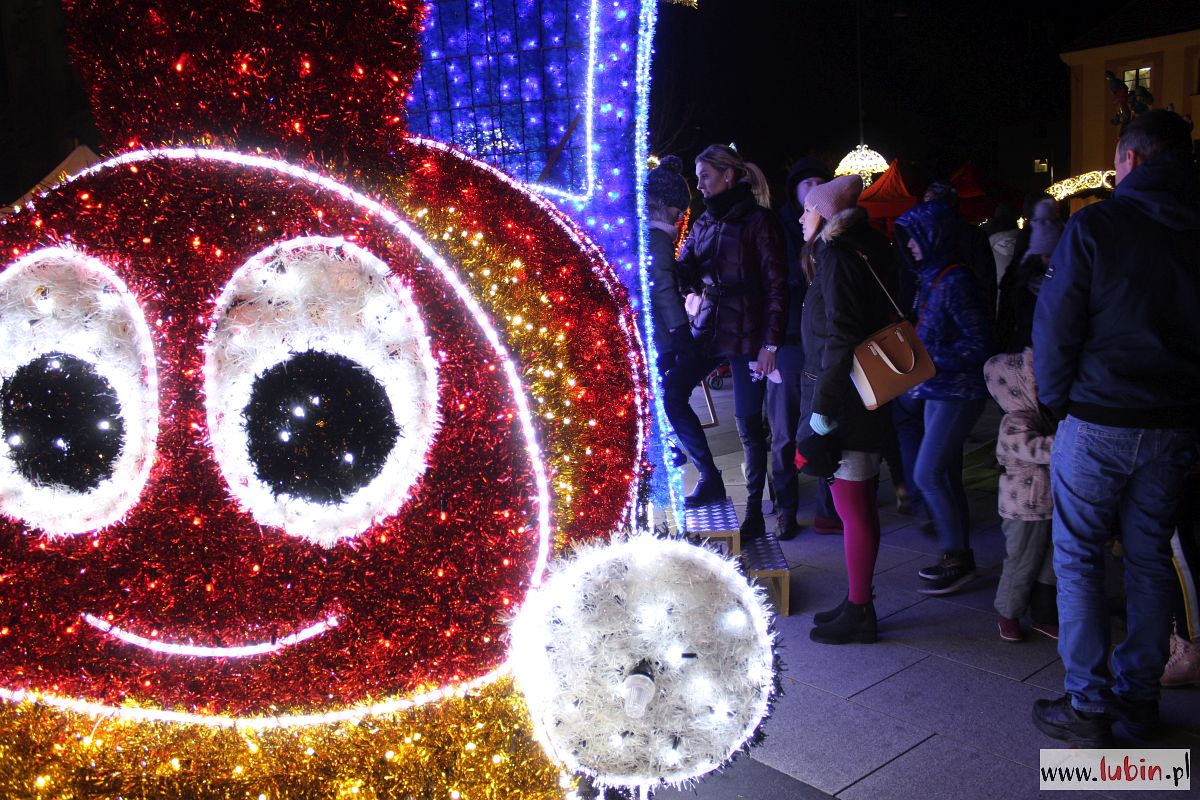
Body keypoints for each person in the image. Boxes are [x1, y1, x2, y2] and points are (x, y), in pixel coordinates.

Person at [1031, 110, 1200, 747]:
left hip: (1100, 415)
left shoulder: (1100, 223)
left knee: (1078, 560)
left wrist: (1056, 400)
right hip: (1173, 423)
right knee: (1150, 559)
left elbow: (1056, 325)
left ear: (1128, 160)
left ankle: (1088, 706)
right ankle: (1140, 701)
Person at [797, 174, 900, 644]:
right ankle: (857, 599)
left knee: (852, 503)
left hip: (848, 398)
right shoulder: (863, 248)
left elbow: (840, 333)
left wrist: (823, 408)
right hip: (857, 393)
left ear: (825, 215)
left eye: (808, 210)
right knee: (853, 501)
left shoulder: (836, 256)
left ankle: (861, 610)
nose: (801, 217)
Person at [665, 144, 786, 539]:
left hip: (749, 331)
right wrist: (664, 256)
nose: (699, 185)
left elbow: (776, 286)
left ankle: (754, 508)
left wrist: (770, 344)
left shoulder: (758, 221)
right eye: (697, 177)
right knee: (672, 390)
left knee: (749, 426)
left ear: (728, 176)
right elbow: (686, 270)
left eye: (705, 176)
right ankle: (710, 476)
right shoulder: (703, 222)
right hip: (710, 326)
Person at [894, 201, 993, 596]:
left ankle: (957, 557)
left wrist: (929, 357)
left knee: (927, 474)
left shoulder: (955, 280)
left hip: (957, 391)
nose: (910, 247)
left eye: (914, 238)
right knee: (942, 474)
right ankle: (957, 555)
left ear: (934, 235)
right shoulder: (933, 278)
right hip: (938, 389)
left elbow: (980, 344)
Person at [771, 157, 836, 539]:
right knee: (783, 432)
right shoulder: (780, 229)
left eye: (819, 181)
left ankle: (830, 509)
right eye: (805, 182)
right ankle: (786, 509)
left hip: (825, 343)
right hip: (789, 342)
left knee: (822, 425)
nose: (812, 187)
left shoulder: (834, 233)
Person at [984, 348, 1058, 642]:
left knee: (1050, 564)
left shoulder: (1040, 416)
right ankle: (1008, 613)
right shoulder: (1014, 421)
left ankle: (1044, 614)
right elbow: (1035, 449)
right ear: (1018, 387)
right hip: (1023, 510)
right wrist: (1066, 439)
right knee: (1022, 562)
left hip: (1047, 505)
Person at [645, 155, 694, 474]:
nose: (680, 216)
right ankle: (664, 446)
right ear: (662, 203)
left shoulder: (644, 235)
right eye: (677, 208)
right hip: (661, 335)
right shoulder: (659, 237)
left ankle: (663, 444)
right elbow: (662, 285)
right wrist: (680, 332)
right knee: (662, 389)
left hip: (654, 331)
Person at [994, 198, 1061, 354]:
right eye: (1045, 256)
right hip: (1025, 345)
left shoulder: (1066, 274)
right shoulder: (1022, 272)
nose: (1049, 260)